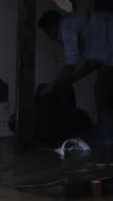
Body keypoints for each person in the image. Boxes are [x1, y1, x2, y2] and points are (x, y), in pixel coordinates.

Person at [38, 9, 113, 143]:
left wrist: (51, 86)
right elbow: (92, 63)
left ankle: (107, 138)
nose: (51, 37)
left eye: (49, 32)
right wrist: (70, 81)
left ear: (55, 25)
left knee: (103, 90)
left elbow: (70, 65)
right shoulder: (78, 25)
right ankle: (106, 137)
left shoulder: (67, 28)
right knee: (102, 89)